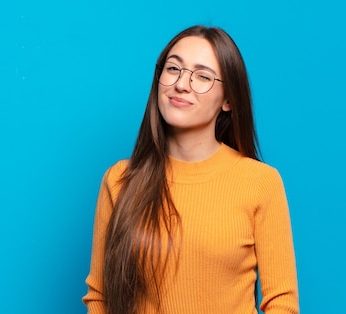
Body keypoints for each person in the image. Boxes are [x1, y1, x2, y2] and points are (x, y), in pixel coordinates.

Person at [82, 25, 299, 314]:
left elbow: (282, 304)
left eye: (203, 76)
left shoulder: (260, 182)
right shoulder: (120, 180)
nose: (181, 84)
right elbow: (100, 297)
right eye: (173, 69)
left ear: (228, 100)